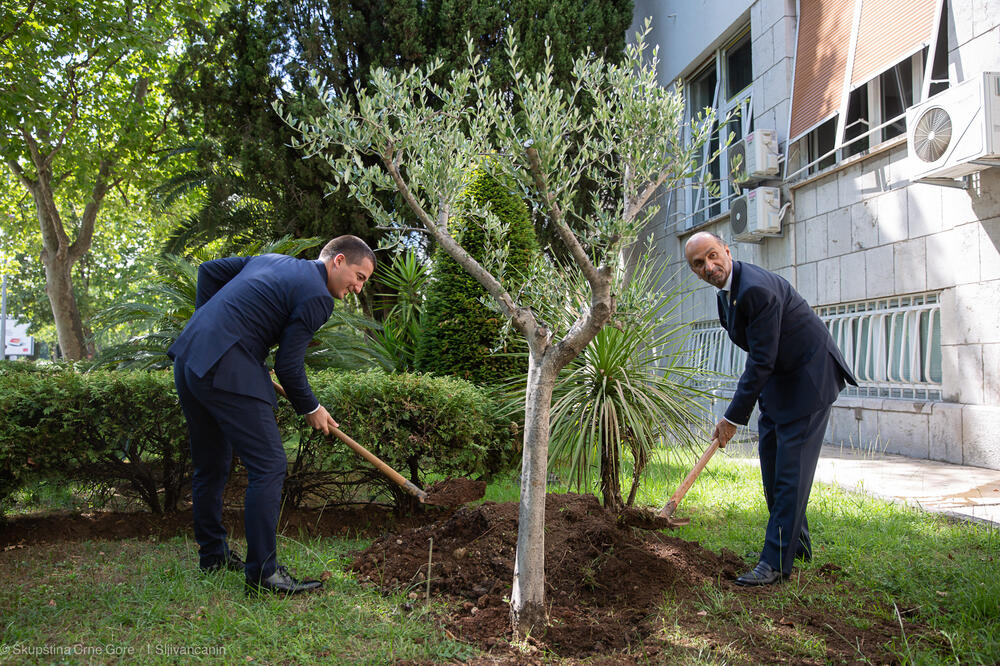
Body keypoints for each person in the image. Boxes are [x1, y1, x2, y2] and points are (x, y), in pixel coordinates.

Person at [168, 235, 375, 596]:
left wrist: (211, 325)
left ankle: (213, 557)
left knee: (211, 464)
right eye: (359, 276)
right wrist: (311, 407)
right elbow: (288, 366)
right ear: (338, 260)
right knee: (270, 465)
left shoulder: (274, 260)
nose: (358, 288)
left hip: (191, 357)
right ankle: (264, 574)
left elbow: (208, 271)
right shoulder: (316, 298)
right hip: (226, 367)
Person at [683, 231, 857, 586]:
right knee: (774, 468)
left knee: (790, 474)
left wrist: (732, 418)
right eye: (699, 263)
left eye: (713, 255)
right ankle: (797, 546)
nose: (709, 266)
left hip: (809, 379)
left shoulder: (755, 289)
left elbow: (761, 359)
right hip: (781, 381)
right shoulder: (727, 295)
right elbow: (764, 356)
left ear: (727, 251)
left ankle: (775, 562)